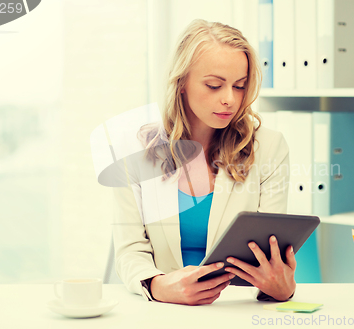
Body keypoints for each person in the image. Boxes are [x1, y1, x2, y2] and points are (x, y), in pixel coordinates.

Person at [112, 19, 295, 306]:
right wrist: (158, 286)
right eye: (214, 85)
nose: (229, 100)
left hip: (237, 313)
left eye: (239, 86)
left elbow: (271, 255)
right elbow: (129, 250)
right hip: (164, 312)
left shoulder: (269, 147)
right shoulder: (135, 151)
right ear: (181, 83)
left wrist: (281, 288)